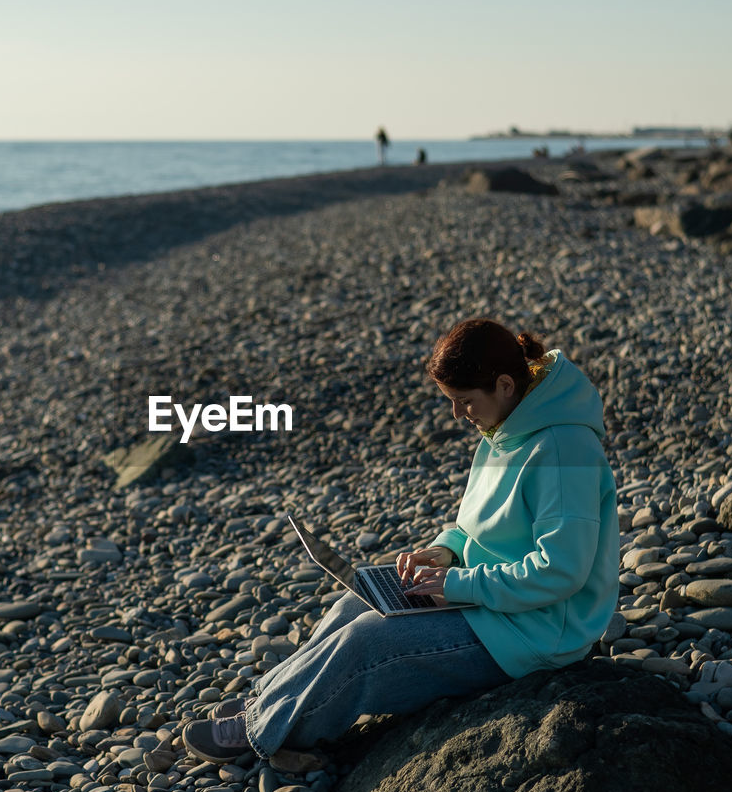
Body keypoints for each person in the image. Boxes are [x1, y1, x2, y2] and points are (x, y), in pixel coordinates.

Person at [181, 318, 620, 765]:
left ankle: (267, 730)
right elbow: (479, 527)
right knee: (353, 607)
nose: (457, 414)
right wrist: (446, 550)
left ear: (504, 384)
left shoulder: (564, 450)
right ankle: (268, 701)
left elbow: (561, 571)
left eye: (464, 401)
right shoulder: (507, 426)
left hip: (537, 632)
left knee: (368, 641)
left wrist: (455, 585)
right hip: (492, 602)